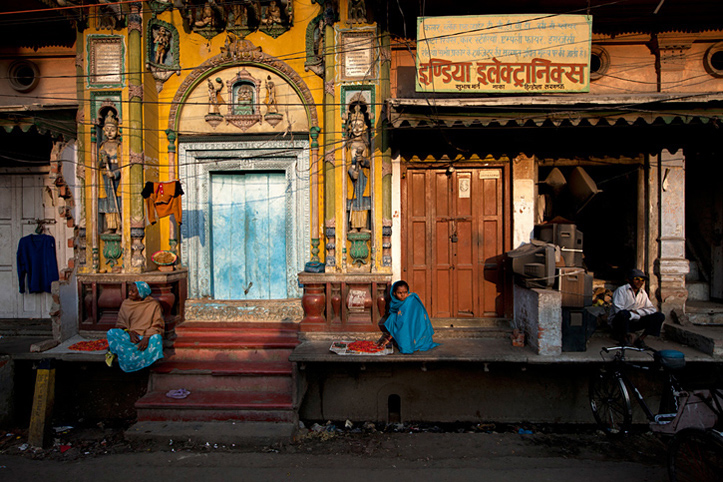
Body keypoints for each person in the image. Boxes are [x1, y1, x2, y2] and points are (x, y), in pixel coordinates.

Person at [106, 281, 165, 372]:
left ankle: (142, 357)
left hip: (146, 336)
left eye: (133, 292)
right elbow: (120, 324)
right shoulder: (126, 303)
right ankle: (129, 353)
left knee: (157, 338)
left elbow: (158, 325)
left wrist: (146, 337)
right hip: (130, 336)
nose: (130, 293)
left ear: (141, 293)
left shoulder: (153, 304)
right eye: (130, 291)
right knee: (111, 333)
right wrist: (129, 333)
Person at [376, 280, 440, 354]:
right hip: (404, 321)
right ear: (394, 293)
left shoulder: (411, 299)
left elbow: (405, 319)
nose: (403, 295)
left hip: (414, 326)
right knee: (392, 318)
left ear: (408, 292)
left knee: (400, 320)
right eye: (400, 293)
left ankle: (407, 342)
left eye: (405, 292)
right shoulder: (394, 303)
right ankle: (392, 338)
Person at [608, 269, 665, 348]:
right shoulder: (621, 290)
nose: (640, 282)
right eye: (636, 279)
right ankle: (624, 339)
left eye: (642, 280)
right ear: (630, 280)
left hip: (634, 321)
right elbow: (618, 311)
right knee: (623, 314)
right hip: (619, 323)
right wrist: (638, 315)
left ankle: (640, 339)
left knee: (659, 316)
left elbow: (652, 310)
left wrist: (636, 312)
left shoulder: (642, 293)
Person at [98, 111, 121, 234]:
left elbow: (123, 165)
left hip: (116, 177)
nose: (110, 132)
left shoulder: (119, 146)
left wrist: (115, 173)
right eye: (107, 130)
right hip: (105, 177)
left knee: (117, 200)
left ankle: (119, 226)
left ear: (117, 130)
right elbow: (98, 164)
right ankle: (110, 226)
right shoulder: (102, 146)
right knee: (107, 202)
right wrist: (102, 162)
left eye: (112, 129)